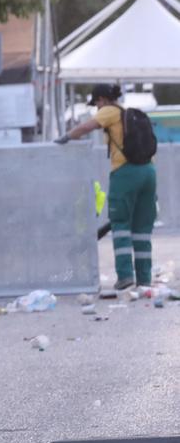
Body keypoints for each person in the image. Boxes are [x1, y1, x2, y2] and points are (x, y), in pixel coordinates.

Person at [55, 83, 157, 290]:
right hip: (148, 172)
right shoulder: (130, 113)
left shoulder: (109, 111)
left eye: (96, 104)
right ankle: (145, 279)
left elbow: (86, 127)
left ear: (102, 99)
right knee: (142, 228)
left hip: (125, 172)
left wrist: (65, 138)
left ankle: (125, 276)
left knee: (120, 224)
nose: (96, 108)